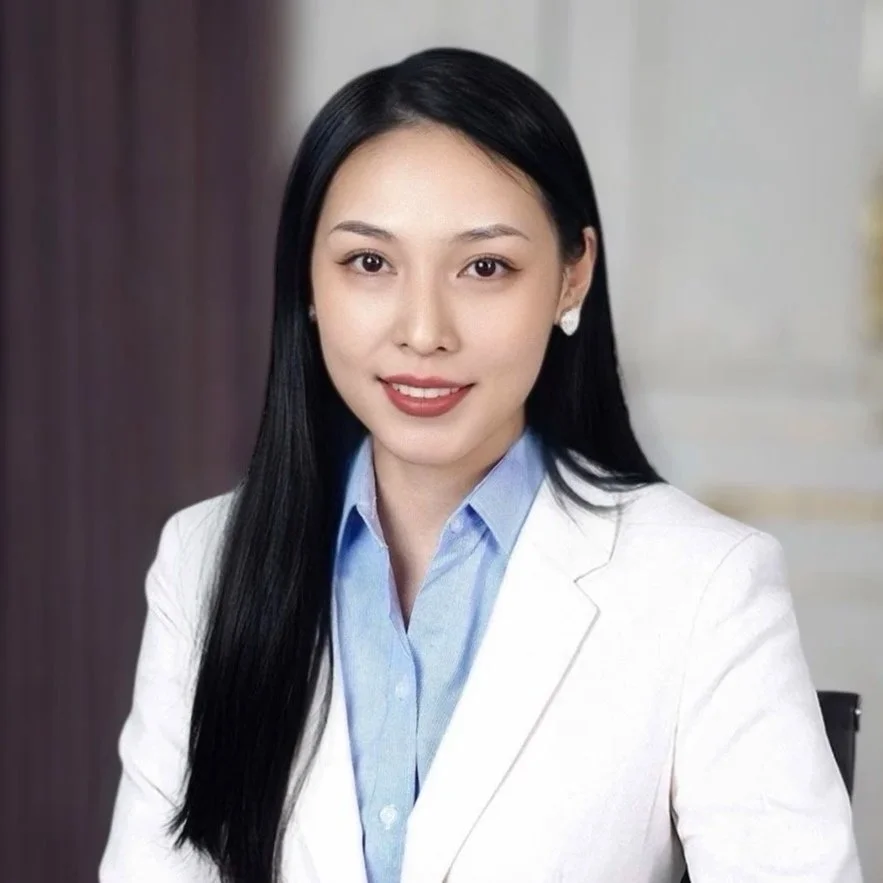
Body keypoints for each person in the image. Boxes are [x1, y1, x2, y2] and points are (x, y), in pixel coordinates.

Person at [99, 47, 862, 883]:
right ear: (307, 282)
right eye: (369, 263)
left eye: (484, 267)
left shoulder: (703, 581)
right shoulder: (205, 562)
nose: (423, 330)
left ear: (571, 275)